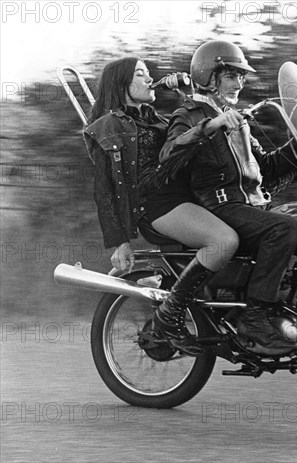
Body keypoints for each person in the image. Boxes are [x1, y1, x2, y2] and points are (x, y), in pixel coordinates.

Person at [83, 57, 239, 356]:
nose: (149, 78)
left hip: (183, 201)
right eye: (140, 74)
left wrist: (186, 92)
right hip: (155, 207)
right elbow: (104, 191)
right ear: (123, 85)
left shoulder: (157, 118)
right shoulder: (108, 127)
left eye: (148, 73)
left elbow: (186, 136)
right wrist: (120, 242)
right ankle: (170, 319)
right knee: (222, 241)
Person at [155, 41, 297, 355]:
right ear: (209, 76)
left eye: (241, 77)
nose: (239, 83)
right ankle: (255, 318)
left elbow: (265, 169)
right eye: (231, 76)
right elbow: (168, 153)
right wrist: (211, 125)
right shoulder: (190, 113)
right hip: (220, 207)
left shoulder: (237, 119)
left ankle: (289, 314)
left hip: (248, 204)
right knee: (284, 229)